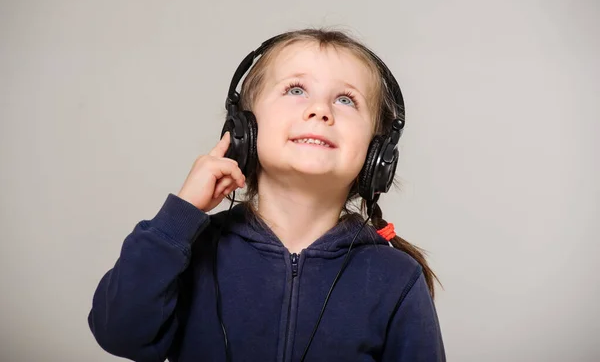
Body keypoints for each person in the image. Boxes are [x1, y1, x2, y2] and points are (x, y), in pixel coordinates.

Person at [88, 28, 446, 362]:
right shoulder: (190, 251)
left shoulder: (396, 277)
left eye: (346, 99)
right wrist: (179, 216)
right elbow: (120, 333)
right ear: (245, 129)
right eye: (295, 90)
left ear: (375, 154)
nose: (320, 110)